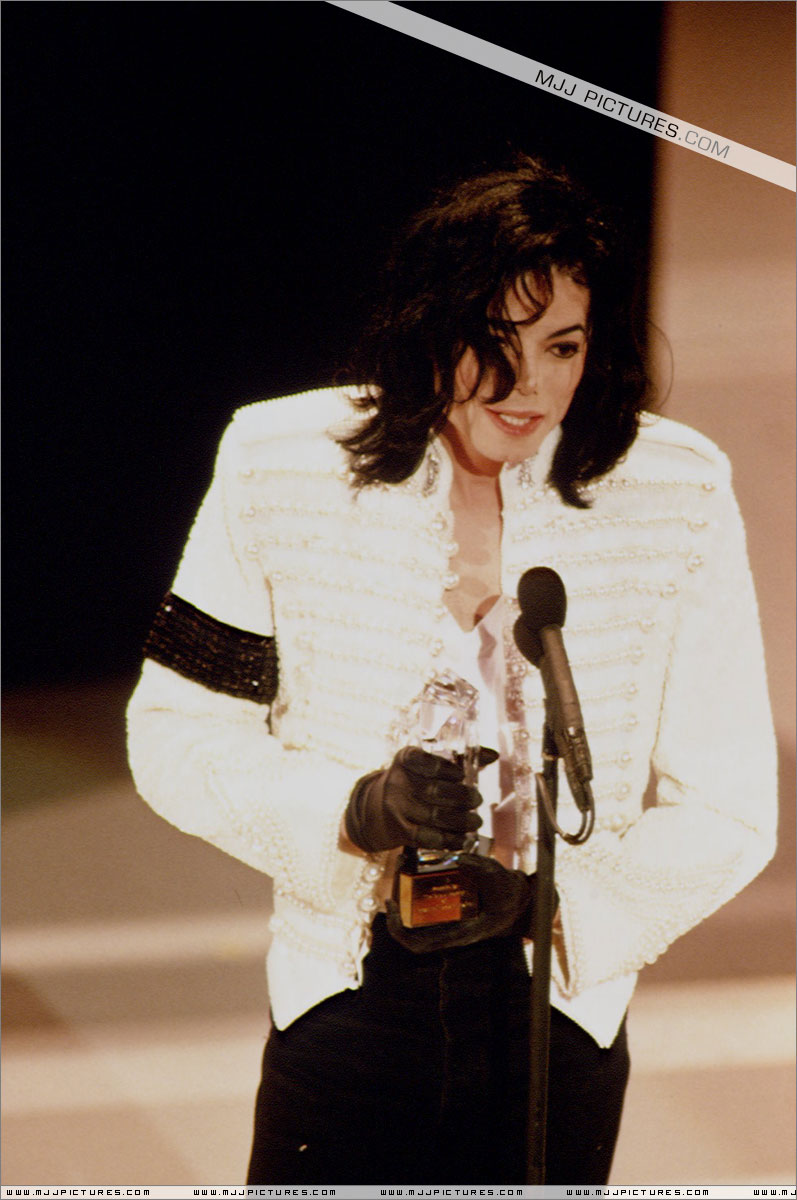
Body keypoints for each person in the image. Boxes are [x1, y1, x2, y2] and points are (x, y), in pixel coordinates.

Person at [126, 154, 777, 1184]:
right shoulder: (280, 463)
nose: (528, 387)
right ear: (428, 324)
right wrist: (356, 811)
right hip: (345, 1001)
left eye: (561, 346)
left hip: (556, 1012)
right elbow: (177, 734)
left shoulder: (672, 492)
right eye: (493, 341)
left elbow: (730, 804)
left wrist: (560, 907)